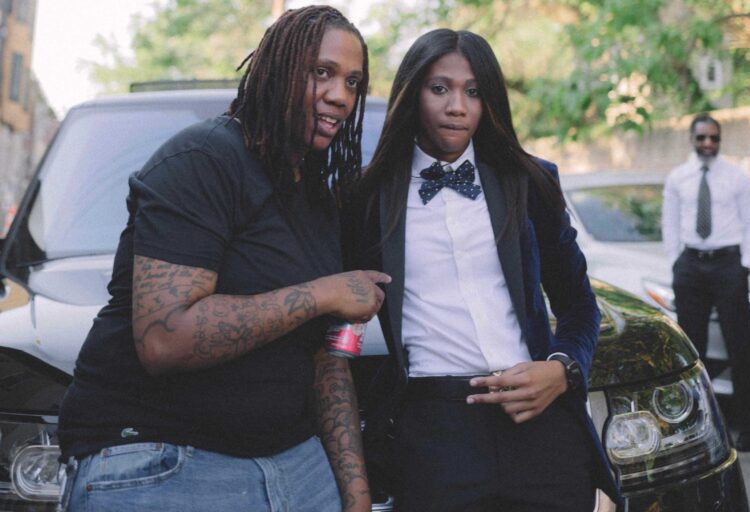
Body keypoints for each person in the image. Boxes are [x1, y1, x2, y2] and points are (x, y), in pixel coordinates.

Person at [56, 6, 388, 511]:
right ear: (276, 68)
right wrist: (323, 293)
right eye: (321, 72)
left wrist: (356, 497)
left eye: (353, 81)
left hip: (294, 464)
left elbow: (327, 359)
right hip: (162, 457)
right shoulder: (204, 159)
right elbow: (165, 338)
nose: (340, 96)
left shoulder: (318, 196)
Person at [343, 28, 621, 511]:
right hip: (433, 432)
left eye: (473, 91)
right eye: (440, 88)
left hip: (539, 420)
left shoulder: (530, 181)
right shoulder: (365, 199)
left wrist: (563, 370)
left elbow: (578, 304)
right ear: (412, 94)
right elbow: (344, 324)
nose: (458, 106)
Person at [662, 113, 750, 452]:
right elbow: (671, 223)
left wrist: (744, 265)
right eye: (702, 137)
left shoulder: (735, 177)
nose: (708, 144)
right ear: (691, 139)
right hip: (691, 266)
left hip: (727, 267)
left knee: (740, 347)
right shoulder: (678, 178)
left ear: (720, 140)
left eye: (714, 138)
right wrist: (677, 261)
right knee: (691, 350)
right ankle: (693, 428)